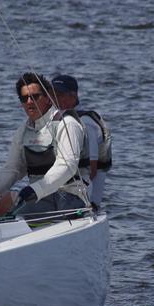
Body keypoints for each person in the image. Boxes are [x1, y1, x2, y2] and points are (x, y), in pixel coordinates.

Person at [0, 72, 88, 218]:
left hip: (70, 197)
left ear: (48, 98)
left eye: (35, 97)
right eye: (24, 98)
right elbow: (12, 169)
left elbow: (67, 166)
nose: (29, 102)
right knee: (5, 203)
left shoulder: (67, 124)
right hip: (38, 198)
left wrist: (35, 190)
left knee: (13, 214)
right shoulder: (22, 132)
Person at [51, 74, 112, 209]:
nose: (54, 98)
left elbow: (92, 170)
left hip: (86, 198)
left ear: (73, 96)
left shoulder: (85, 124)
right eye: (52, 94)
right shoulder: (58, 120)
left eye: (60, 94)